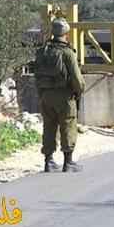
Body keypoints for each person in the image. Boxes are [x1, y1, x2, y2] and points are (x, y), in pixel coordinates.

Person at [34, 17, 85, 172]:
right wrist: (79, 91)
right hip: (64, 96)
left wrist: (42, 94)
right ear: (66, 34)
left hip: (45, 96)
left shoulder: (42, 51)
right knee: (68, 125)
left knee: (48, 126)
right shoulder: (67, 53)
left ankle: (48, 161)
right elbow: (77, 80)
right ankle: (68, 162)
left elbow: (37, 75)